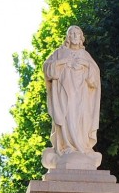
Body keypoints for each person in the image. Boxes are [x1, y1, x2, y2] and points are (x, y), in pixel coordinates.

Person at [42, 25, 101, 169]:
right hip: (64, 94)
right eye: (72, 33)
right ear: (68, 37)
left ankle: (82, 147)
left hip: (82, 95)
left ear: (81, 37)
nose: (74, 36)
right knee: (67, 117)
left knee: (82, 119)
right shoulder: (59, 53)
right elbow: (47, 68)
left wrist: (85, 64)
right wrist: (63, 62)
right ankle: (67, 146)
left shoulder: (85, 55)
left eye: (77, 33)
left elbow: (95, 77)